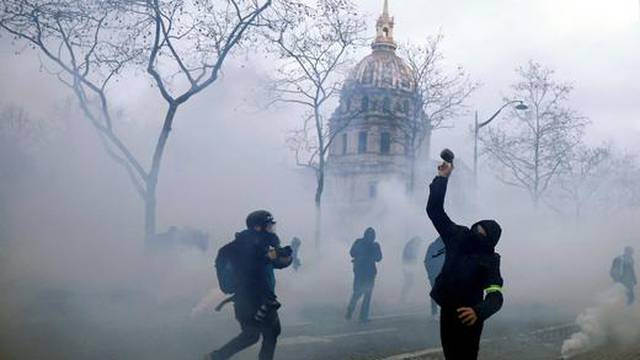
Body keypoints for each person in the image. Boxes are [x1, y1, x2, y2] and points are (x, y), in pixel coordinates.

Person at [426, 160, 504, 360]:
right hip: (448, 309)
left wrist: (478, 312)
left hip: (470, 314)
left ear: (490, 241)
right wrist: (442, 179)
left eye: (482, 234)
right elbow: (435, 211)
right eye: (476, 229)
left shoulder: (491, 260)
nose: (476, 234)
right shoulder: (458, 236)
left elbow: (496, 296)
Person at [207, 210, 292, 360]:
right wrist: (270, 256)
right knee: (270, 333)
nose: (271, 230)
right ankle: (217, 357)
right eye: (268, 226)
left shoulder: (256, 246)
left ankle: (216, 357)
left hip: (243, 302)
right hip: (259, 301)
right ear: (258, 228)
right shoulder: (254, 248)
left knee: (251, 335)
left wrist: (285, 256)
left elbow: (278, 263)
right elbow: (254, 265)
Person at [346, 227, 382, 323]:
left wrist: (368, 257)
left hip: (368, 272)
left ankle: (361, 315)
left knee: (366, 294)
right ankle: (351, 310)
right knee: (358, 293)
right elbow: (352, 253)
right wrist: (362, 256)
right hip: (361, 272)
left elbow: (379, 258)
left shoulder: (374, 245)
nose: (371, 237)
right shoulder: (360, 242)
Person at [424, 237, 446, 318]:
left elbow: (426, 261)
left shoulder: (433, 246)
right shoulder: (434, 247)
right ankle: (435, 312)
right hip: (436, 274)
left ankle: (436, 312)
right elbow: (427, 261)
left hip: (440, 274)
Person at [400, 236, 423, 303]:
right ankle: (403, 298)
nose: (419, 245)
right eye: (419, 243)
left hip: (408, 267)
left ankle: (405, 298)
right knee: (409, 282)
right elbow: (410, 258)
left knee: (409, 282)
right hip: (408, 267)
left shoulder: (409, 245)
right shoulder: (411, 246)